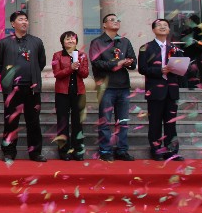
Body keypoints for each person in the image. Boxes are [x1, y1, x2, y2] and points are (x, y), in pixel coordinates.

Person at [0, 11, 47, 163]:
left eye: (26, 19)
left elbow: (41, 62)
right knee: (11, 121)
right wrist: (9, 76)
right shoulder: (4, 43)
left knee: (34, 122)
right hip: (12, 89)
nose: (24, 22)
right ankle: (9, 152)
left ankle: (35, 153)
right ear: (13, 24)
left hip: (32, 88)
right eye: (21, 19)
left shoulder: (36, 42)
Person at [89, 13, 137, 162]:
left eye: (117, 20)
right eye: (112, 20)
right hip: (106, 86)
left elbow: (134, 62)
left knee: (123, 121)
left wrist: (129, 62)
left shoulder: (124, 41)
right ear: (104, 25)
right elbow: (96, 62)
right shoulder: (97, 42)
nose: (116, 22)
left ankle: (122, 150)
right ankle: (105, 150)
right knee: (105, 121)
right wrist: (117, 63)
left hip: (123, 85)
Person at [138, 19, 185, 161]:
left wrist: (177, 68)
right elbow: (142, 69)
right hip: (155, 91)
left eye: (165, 25)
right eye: (159, 25)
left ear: (169, 30)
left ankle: (172, 151)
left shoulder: (175, 49)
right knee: (155, 123)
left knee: (171, 123)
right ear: (153, 30)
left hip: (172, 91)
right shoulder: (146, 48)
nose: (163, 27)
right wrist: (160, 70)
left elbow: (182, 70)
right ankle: (156, 150)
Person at [51, 31, 89, 161]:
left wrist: (78, 67)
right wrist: (70, 68)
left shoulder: (82, 55)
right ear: (62, 42)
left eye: (73, 39)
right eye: (67, 39)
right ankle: (64, 151)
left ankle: (78, 150)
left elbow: (85, 74)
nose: (71, 41)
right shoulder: (57, 55)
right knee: (63, 123)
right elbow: (57, 74)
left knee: (78, 123)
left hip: (79, 93)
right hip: (62, 93)